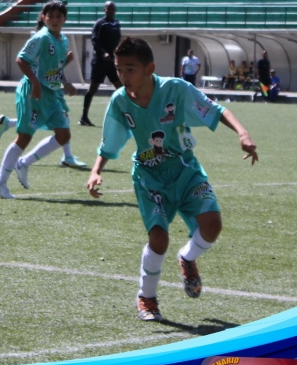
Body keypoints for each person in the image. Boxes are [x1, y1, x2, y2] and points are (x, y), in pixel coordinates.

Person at [86, 37, 258, 322]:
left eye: (130, 69)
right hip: (149, 177)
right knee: (158, 238)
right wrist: (96, 169)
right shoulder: (119, 102)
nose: (123, 76)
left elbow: (216, 110)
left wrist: (243, 133)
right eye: (119, 70)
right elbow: (110, 141)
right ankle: (147, 298)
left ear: (149, 68)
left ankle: (188, 258)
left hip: (185, 170)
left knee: (213, 225)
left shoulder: (176, 90)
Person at [0, 0, 77, 199]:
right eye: (51, 16)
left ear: (65, 19)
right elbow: (21, 59)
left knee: (63, 135)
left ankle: (24, 163)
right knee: (24, 136)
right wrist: (36, 83)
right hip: (33, 92)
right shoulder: (41, 37)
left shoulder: (63, 39)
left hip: (52, 93)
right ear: (43, 17)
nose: (55, 20)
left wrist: (66, 82)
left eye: (59, 16)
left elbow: (57, 67)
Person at [0, 45, 86, 169]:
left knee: (60, 120)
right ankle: (65, 157)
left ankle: (9, 123)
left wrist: (65, 79)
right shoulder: (42, 44)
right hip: (46, 91)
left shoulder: (55, 41)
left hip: (51, 89)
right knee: (57, 121)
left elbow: (55, 69)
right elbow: (44, 71)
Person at [79, 1, 122, 126]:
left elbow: (118, 39)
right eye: (108, 9)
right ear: (104, 10)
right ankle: (84, 117)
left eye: (112, 9)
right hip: (100, 61)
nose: (110, 11)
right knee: (93, 89)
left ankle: (125, 116)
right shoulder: (100, 24)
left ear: (115, 10)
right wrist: (103, 53)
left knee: (120, 88)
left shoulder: (117, 24)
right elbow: (94, 40)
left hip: (112, 62)